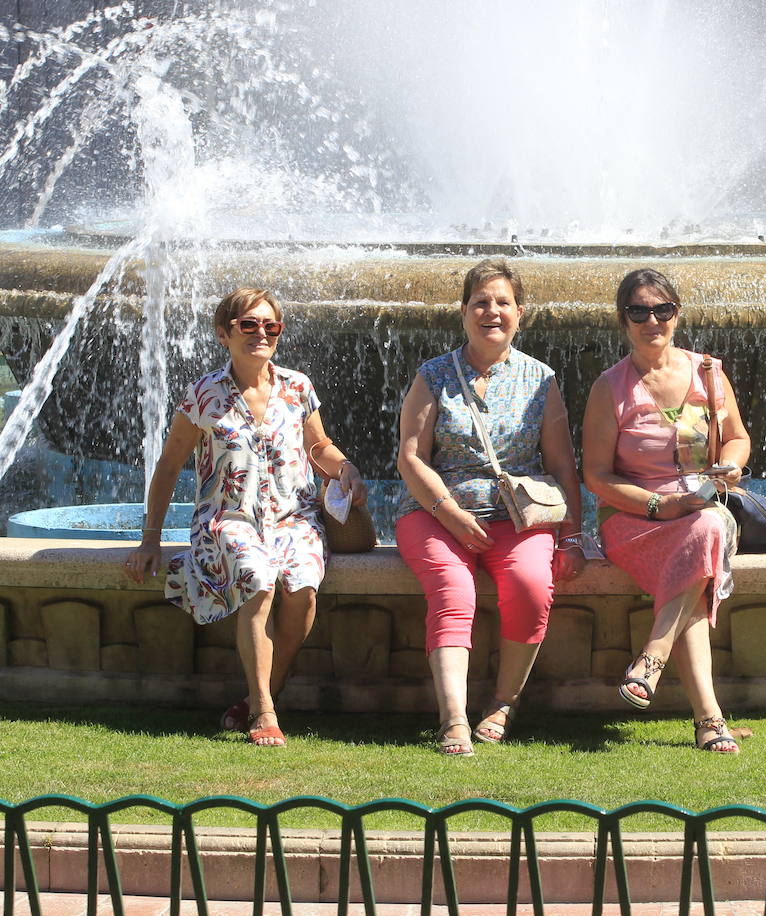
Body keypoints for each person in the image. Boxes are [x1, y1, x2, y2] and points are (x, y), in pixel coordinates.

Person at [124, 288, 367, 747]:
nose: (261, 333)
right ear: (224, 334)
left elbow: (318, 447)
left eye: (270, 326)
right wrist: (150, 540)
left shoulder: (297, 386)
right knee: (259, 580)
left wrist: (345, 468)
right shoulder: (204, 394)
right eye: (248, 325)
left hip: (294, 518)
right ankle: (263, 710)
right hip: (228, 518)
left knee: (302, 593)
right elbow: (168, 466)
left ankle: (267, 689)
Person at [395, 258, 584, 756]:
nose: (491, 312)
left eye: (502, 303)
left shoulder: (541, 380)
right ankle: (453, 718)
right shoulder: (433, 375)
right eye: (481, 302)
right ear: (463, 312)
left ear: (520, 313)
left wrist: (572, 535)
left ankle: (503, 703)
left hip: (518, 518)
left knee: (529, 584)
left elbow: (564, 466)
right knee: (453, 589)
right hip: (437, 515)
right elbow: (410, 456)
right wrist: (448, 512)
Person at [582, 268, 748, 754]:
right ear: (623, 320)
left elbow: (737, 436)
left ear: (677, 314)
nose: (651, 320)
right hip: (635, 519)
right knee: (701, 553)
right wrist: (660, 505)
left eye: (662, 310)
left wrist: (730, 466)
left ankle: (654, 659)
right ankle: (709, 721)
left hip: (701, 509)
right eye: (638, 312)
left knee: (708, 524)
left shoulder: (709, 374)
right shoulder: (609, 389)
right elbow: (596, 476)